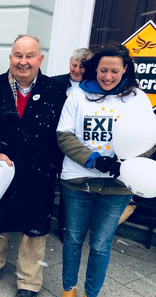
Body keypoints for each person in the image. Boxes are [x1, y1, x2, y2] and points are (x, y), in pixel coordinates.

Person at [0, 34, 67, 297]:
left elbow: (62, 133)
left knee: (34, 228)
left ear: (40, 59)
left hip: (38, 173)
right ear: (10, 58)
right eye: (18, 55)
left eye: (29, 55)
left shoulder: (55, 91)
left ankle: (29, 283)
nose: (23, 62)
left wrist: (52, 165)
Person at [57, 44, 156, 297]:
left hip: (117, 184)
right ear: (95, 69)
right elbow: (64, 135)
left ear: (125, 69)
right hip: (78, 180)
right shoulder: (78, 95)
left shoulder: (138, 98)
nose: (108, 76)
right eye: (103, 70)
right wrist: (93, 160)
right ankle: (69, 290)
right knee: (73, 239)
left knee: (101, 244)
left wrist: (124, 163)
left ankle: (92, 294)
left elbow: (150, 139)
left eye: (114, 70)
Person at [52, 48, 93, 243]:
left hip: (76, 145)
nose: (77, 70)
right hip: (52, 142)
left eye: (82, 67)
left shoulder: (93, 87)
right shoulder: (55, 82)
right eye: (74, 65)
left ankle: (64, 225)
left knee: (69, 187)